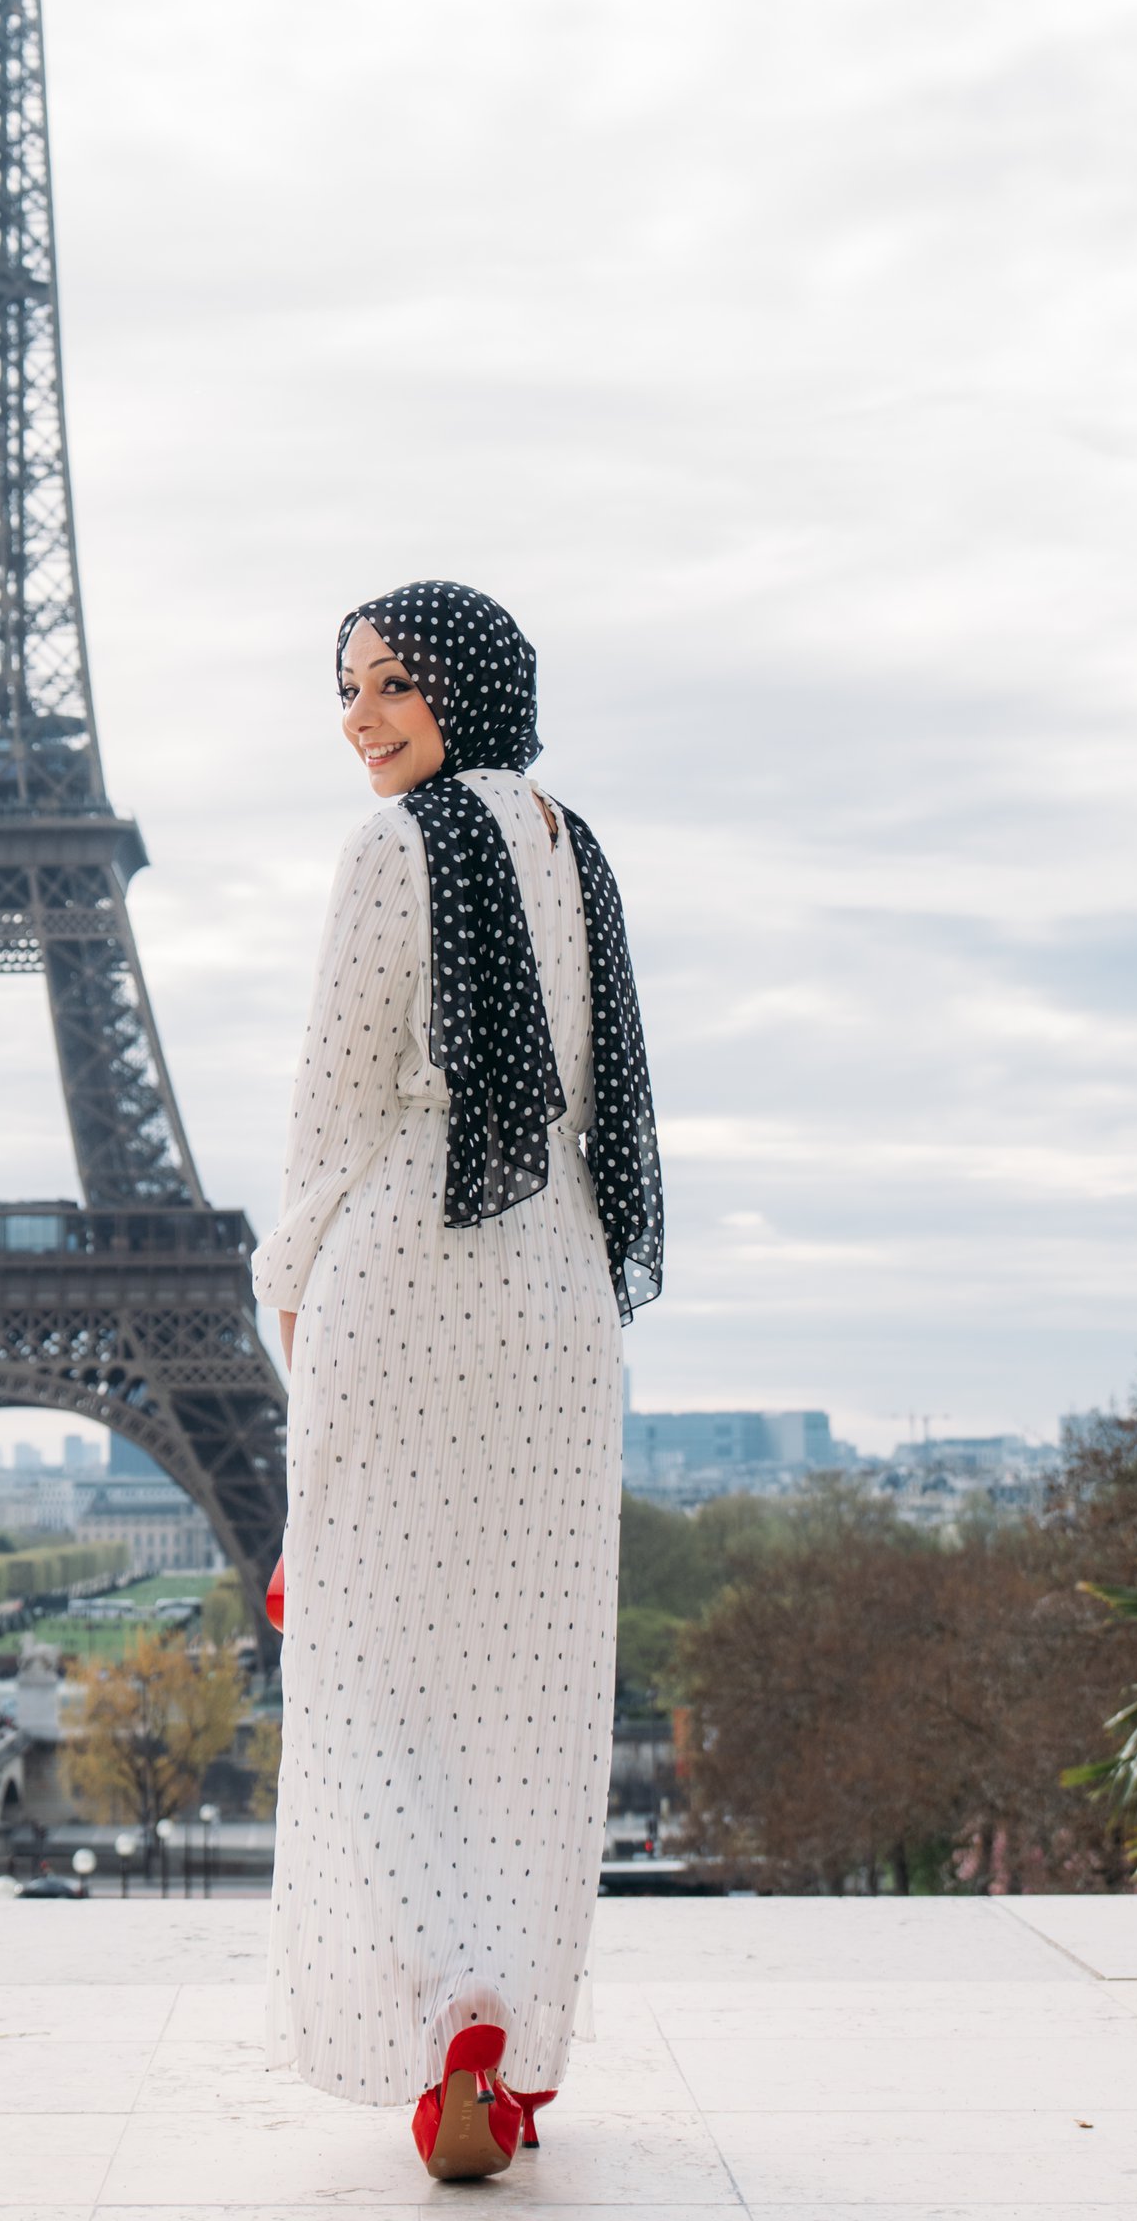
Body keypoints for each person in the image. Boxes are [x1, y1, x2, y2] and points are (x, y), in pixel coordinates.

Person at [251, 581, 662, 2181]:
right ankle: (511, 2021)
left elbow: (333, 1108)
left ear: (464, 688)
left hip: (408, 1261)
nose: (361, 719)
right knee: (529, 1686)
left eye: (393, 684)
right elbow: (599, 1090)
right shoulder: (575, 846)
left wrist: (292, 1298)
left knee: (372, 1666)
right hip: (555, 1277)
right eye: (347, 689)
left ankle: (448, 2002)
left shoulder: (395, 846)